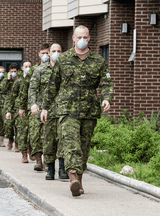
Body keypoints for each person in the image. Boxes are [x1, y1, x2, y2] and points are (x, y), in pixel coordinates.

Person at [41, 25, 114, 196]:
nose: (82, 40)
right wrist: (45, 107)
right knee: (71, 142)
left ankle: (79, 181)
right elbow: (53, 85)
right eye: (79, 37)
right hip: (67, 110)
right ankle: (72, 175)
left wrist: (106, 97)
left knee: (84, 146)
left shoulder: (98, 61)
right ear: (73, 38)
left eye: (85, 37)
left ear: (89, 39)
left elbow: (106, 83)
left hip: (89, 111)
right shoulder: (63, 59)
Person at [29, 43, 69, 180]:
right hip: (46, 111)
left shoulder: (67, 70)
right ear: (49, 53)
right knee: (48, 141)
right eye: (54, 51)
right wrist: (33, 104)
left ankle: (62, 169)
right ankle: (50, 169)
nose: (56, 53)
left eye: (59, 50)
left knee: (63, 140)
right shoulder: (40, 70)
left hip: (63, 111)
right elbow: (32, 88)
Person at [19, 43, 49, 171]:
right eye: (43, 53)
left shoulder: (56, 68)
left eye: (48, 53)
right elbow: (25, 88)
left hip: (50, 108)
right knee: (35, 134)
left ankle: (48, 160)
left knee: (48, 135)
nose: (45, 55)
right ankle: (38, 160)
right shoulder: (33, 70)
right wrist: (22, 106)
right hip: (35, 108)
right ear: (39, 54)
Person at [6, 60, 35, 162]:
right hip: (21, 111)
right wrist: (9, 111)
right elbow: (12, 97)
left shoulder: (34, 79)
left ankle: (31, 150)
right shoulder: (18, 82)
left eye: (30, 66)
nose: (28, 68)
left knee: (32, 133)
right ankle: (24, 154)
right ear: (22, 68)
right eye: (26, 66)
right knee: (22, 133)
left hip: (32, 109)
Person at [2, 63, 21, 152]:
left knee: (18, 125)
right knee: (8, 125)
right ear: (9, 72)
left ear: (18, 71)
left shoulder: (21, 80)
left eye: (15, 71)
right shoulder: (7, 81)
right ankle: (10, 139)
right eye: (12, 71)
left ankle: (16, 143)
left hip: (18, 105)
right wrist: (8, 79)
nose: (13, 73)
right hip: (9, 105)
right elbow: (3, 90)